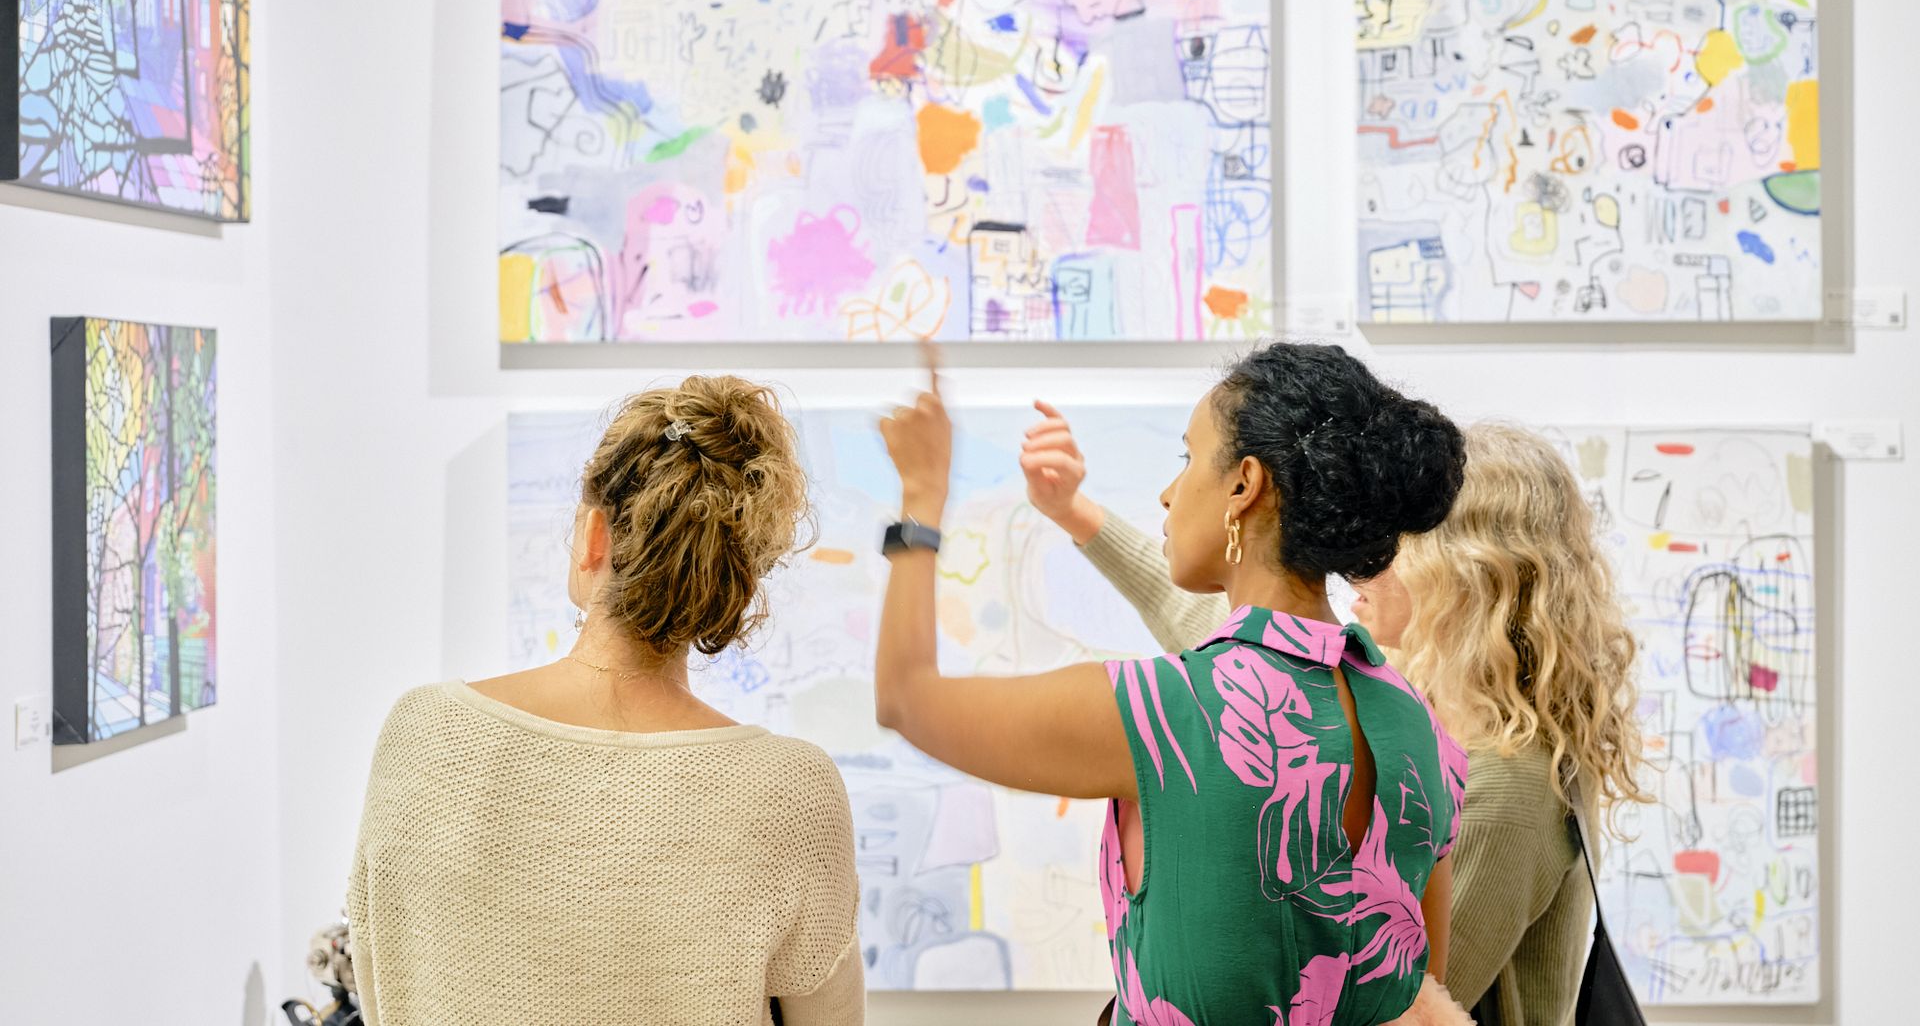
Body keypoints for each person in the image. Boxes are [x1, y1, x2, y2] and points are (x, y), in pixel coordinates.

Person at [875, 342, 1475, 1025]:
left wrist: (921, 497)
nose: (1169, 492)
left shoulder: (1165, 713)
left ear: (1243, 485)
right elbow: (1420, 988)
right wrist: (1075, 512)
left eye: (1187, 459)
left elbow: (906, 698)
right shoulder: (1417, 723)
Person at [1032, 410, 1647, 1025]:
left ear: (1465, 572)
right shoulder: (1408, 700)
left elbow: (1388, 999)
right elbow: (1227, 647)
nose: (1355, 561)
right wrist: (1074, 511)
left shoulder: (1505, 779)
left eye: (1387, 543)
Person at [346, 377, 863, 1026]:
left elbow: (384, 986)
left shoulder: (422, 734)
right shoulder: (791, 790)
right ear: (737, 580)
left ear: (594, 537)